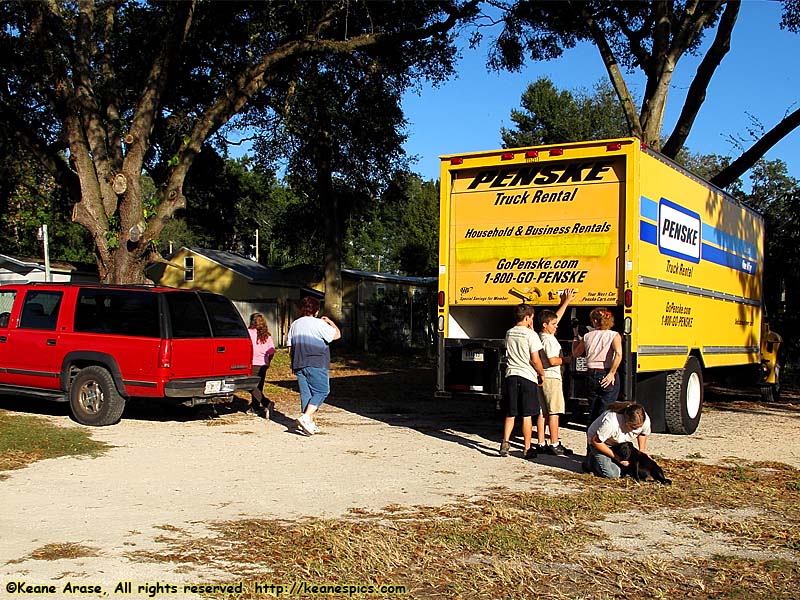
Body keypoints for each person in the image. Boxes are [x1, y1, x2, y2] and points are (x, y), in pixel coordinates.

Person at [286, 296, 341, 436]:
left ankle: (309, 423)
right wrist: (330, 322)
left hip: (298, 363)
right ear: (316, 311)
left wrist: (293, 362)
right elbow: (337, 335)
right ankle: (305, 418)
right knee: (322, 391)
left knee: (307, 394)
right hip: (316, 362)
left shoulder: (295, 324)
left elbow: (290, 347)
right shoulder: (318, 324)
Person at [499, 303, 546, 459]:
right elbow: (535, 359)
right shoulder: (531, 335)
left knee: (511, 412)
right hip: (527, 375)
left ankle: (505, 442)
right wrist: (541, 373)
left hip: (511, 374)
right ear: (528, 318)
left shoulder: (509, 332)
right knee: (526, 415)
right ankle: (527, 448)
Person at [536, 289, 576, 455]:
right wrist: (566, 360)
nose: (556, 326)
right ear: (546, 326)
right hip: (552, 377)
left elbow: (554, 318)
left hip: (542, 376)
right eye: (553, 325)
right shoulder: (550, 340)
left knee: (542, 412)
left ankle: (540, 442)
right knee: (554, 412)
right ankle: (554, 442)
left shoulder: (539, 336)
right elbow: (553, 360)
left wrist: (565, 302)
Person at [572, 307, 622, 425]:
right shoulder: (614, 335)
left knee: (592, 408)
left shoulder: (587, 336)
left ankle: (591, 439)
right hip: (606, 371)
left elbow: (576, 353)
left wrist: (575, 336)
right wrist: (612, 373)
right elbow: (618, 354)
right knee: (606, 408)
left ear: (595, 321)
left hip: (591, 373)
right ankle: (603, 438)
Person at [584, 402, 652, 479]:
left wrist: (642, 450)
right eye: (634, 428)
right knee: (612, 474)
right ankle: (591, 462)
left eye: (640, 426)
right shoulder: (611, 422)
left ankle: (606, 462)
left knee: (632, 469)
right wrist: (616, 458)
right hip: (601, 443)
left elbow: (642, 434)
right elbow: (595, 441)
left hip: (620, 443)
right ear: (626, 423)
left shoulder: (644, 420)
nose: (638, 429)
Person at [247, 313, 276, 418]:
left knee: (250, 386)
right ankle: (255, 408)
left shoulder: (248, 333)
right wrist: (268, 361)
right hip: (263, 364)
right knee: (259, 387)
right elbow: (272, 351)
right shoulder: (267, 335)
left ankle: (266, 403)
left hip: (252, 363)